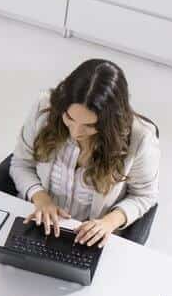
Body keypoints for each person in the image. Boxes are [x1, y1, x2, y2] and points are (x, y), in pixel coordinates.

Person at [11, 58, 160, 247]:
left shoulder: (141, 139)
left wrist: (109, 222)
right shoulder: (44, 109)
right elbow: (21, 164)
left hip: (89, 239)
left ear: (109, 122)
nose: (75, 132)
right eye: (69, 118)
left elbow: (144, 196)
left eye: (89, 125)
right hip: (38, 220)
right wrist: (41, 198)